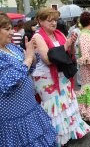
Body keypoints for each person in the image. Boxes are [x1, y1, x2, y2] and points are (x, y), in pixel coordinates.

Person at [32, 8, 90, 146]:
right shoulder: (37, 37)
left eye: (55, 20)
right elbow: (47, 59)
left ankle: (69, 133)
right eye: (49, 20)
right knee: (54, 107)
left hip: (62, 74)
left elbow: (69, 54)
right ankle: (56, 137)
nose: (53, 23)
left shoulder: (59, 34)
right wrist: (66, 45)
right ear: (40, 21)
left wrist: (72, 45)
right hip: (45, 78)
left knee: (66, 103)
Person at [0, 13, 57, 146]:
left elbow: (27, 70)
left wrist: (33, 58)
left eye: (11, 28)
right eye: (7, 29)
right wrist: (28, 59)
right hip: (14, 112)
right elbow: (6, 83)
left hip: (29, 106)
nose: (12, 32)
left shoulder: (11, 47)